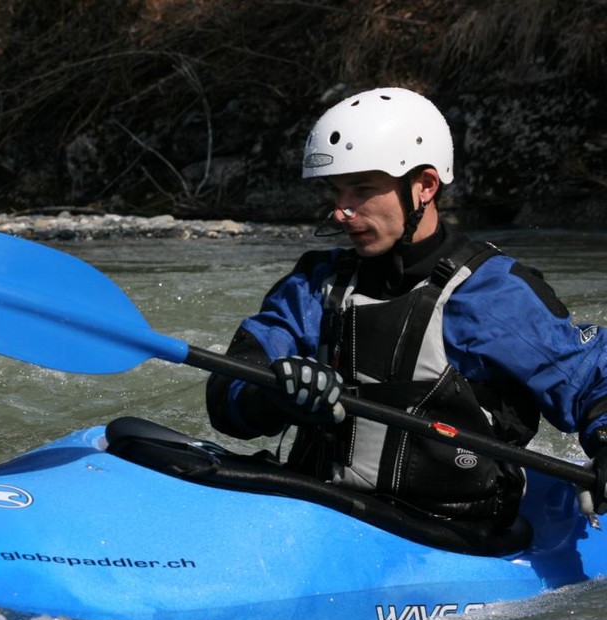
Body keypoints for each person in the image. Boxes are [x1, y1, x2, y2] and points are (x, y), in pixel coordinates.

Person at [206, 87, 607, 532]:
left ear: (425, 186)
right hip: (319, 510)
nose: (342, 211)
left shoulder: (492, 295)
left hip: (451, 532)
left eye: (361, 189)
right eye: (336, 190)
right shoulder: (315, 284)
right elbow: (228, 392)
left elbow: (592, 379)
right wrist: (272, 395)